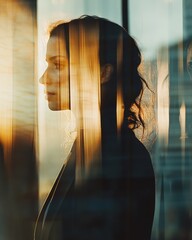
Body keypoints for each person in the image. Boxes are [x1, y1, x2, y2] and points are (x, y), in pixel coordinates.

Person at [34, 15, 155, 240]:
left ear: (103, 73)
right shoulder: (90, 149)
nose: (44, 79)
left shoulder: (119, 157)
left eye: (57, 65)